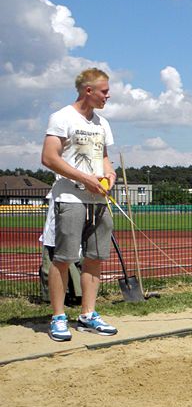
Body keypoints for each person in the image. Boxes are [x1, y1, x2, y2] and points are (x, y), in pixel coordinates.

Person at [40, 67, 118, 342]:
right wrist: (85, 179)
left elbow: (103, 156)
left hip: (99, 200)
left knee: (95, 257)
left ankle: (88, 314)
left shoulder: (102, 123)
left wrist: (110, 174)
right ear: (88, 90)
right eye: (104, 91)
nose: (108, 96)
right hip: (70, 198)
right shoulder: (62, 117)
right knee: (63, 259)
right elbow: (49, 158)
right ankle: (58, 317)